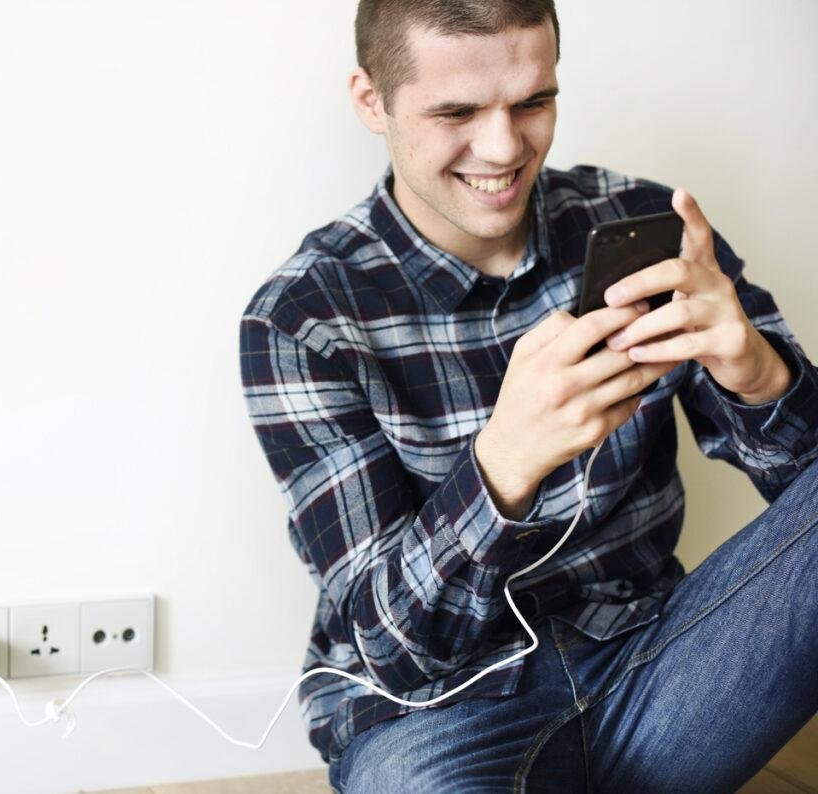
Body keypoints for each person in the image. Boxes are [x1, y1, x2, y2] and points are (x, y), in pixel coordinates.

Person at [238, 1, 818, 791]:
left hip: (663, 666)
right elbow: (394, 650)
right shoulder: (303, 318)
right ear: (372, 102)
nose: (506, 147)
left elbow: (804, 514)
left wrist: (757, 375)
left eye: (534, 102)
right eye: (457, 111)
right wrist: (505, 462)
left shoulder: (641, 223)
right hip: (437, 711)